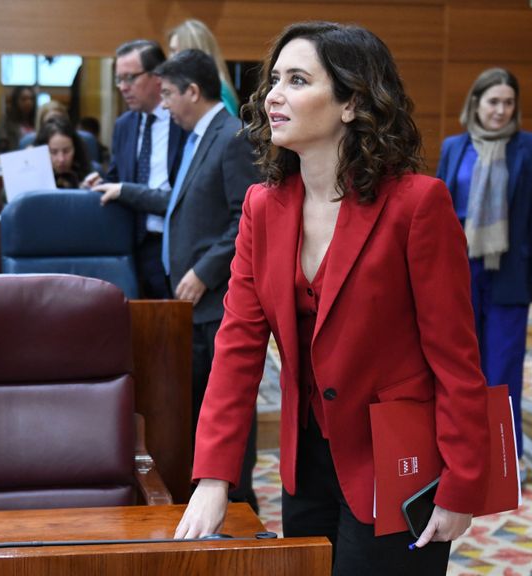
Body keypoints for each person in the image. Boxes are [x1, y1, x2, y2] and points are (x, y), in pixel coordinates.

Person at [174, 22, 490, 575]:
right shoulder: (261, 207)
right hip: (307, 461)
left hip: (397, 460)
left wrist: (463, 482)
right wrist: (213, 478)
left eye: (297, 80)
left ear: (351, 103)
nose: (273, 95)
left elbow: (456, 357)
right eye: (274, 80)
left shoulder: (417, 205)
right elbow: (238, 349)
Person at [92, 50, 261, 510]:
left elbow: (245, 221)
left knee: (224, 409)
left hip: (216, 301)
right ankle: (212, 497)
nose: (163, 104)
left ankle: (240, 505)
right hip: (189, 302)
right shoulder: (194, 138)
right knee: (200, 406)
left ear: (192, 91)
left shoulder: (232, 138)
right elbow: (176, 203)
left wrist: (204, 272)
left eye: (168, 93)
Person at [436, 68, 532, 470]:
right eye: (493, 102)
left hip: (509, 271)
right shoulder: (454, 147)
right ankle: (463, 450)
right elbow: (435, 211)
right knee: (461, 364)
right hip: (459, 270)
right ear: (476, 103)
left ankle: (505, 456)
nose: (501, 110)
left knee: (503, 366)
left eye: (508, 103)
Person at [84, 40, 187, 299]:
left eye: (130, 78)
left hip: (177, 245)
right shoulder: (124, 125)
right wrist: (101, 181)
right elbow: (118, 178)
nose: (122, 87)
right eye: (119, 79)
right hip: (133, 245)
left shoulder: (183, 121)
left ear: (158, 76)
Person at [168, 19, 241, 117]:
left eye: (175, 51)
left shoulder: (219, 89)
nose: (170, 58)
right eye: (171, 51)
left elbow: (227, 129)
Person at [34, 117, 90, 189]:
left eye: (66, 151)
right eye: (53, 152)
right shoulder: (33, 177)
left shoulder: (88, 176)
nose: (61, 159)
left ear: (75, 149)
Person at [0, 86, 37, 154]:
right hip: (14, 157)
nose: (28, 102)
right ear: (16, 101)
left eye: (31, 99)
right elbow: (1, 145)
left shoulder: (36, 120)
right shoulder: (7, 120)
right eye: (24, 99)